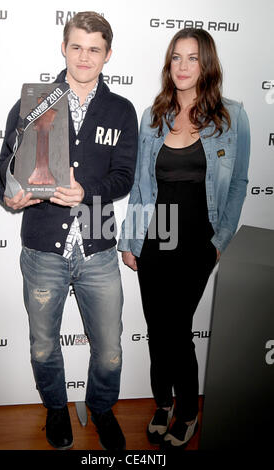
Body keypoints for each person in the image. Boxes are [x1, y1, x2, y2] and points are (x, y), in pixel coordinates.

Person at [0, 11, 138, 451]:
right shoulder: (33, 102)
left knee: (110, 348)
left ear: (107, 55)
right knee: (42, 346)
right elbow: (6, 166)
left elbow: (124, 177)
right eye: (76, 46)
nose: (84, 56)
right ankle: (56, 408)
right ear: (64, 47)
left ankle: (100, 408)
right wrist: (10, 193)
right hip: (42, 248)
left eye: (94, 48)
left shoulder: (121, 109)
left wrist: (86, 191)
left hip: (97, 247)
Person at [118, 28, 250, 449]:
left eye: (192, 58)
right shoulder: (152, 116)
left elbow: (238, 183)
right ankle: (161, 403)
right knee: (159, 330)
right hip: (155, 240)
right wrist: (130, 239)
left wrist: (221, 240)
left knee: (177, 329)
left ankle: (189, 409)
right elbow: (141, 187)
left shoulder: (231, 117)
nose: (182, 66)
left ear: (206, 64)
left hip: (197, 245)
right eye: (176, 57)